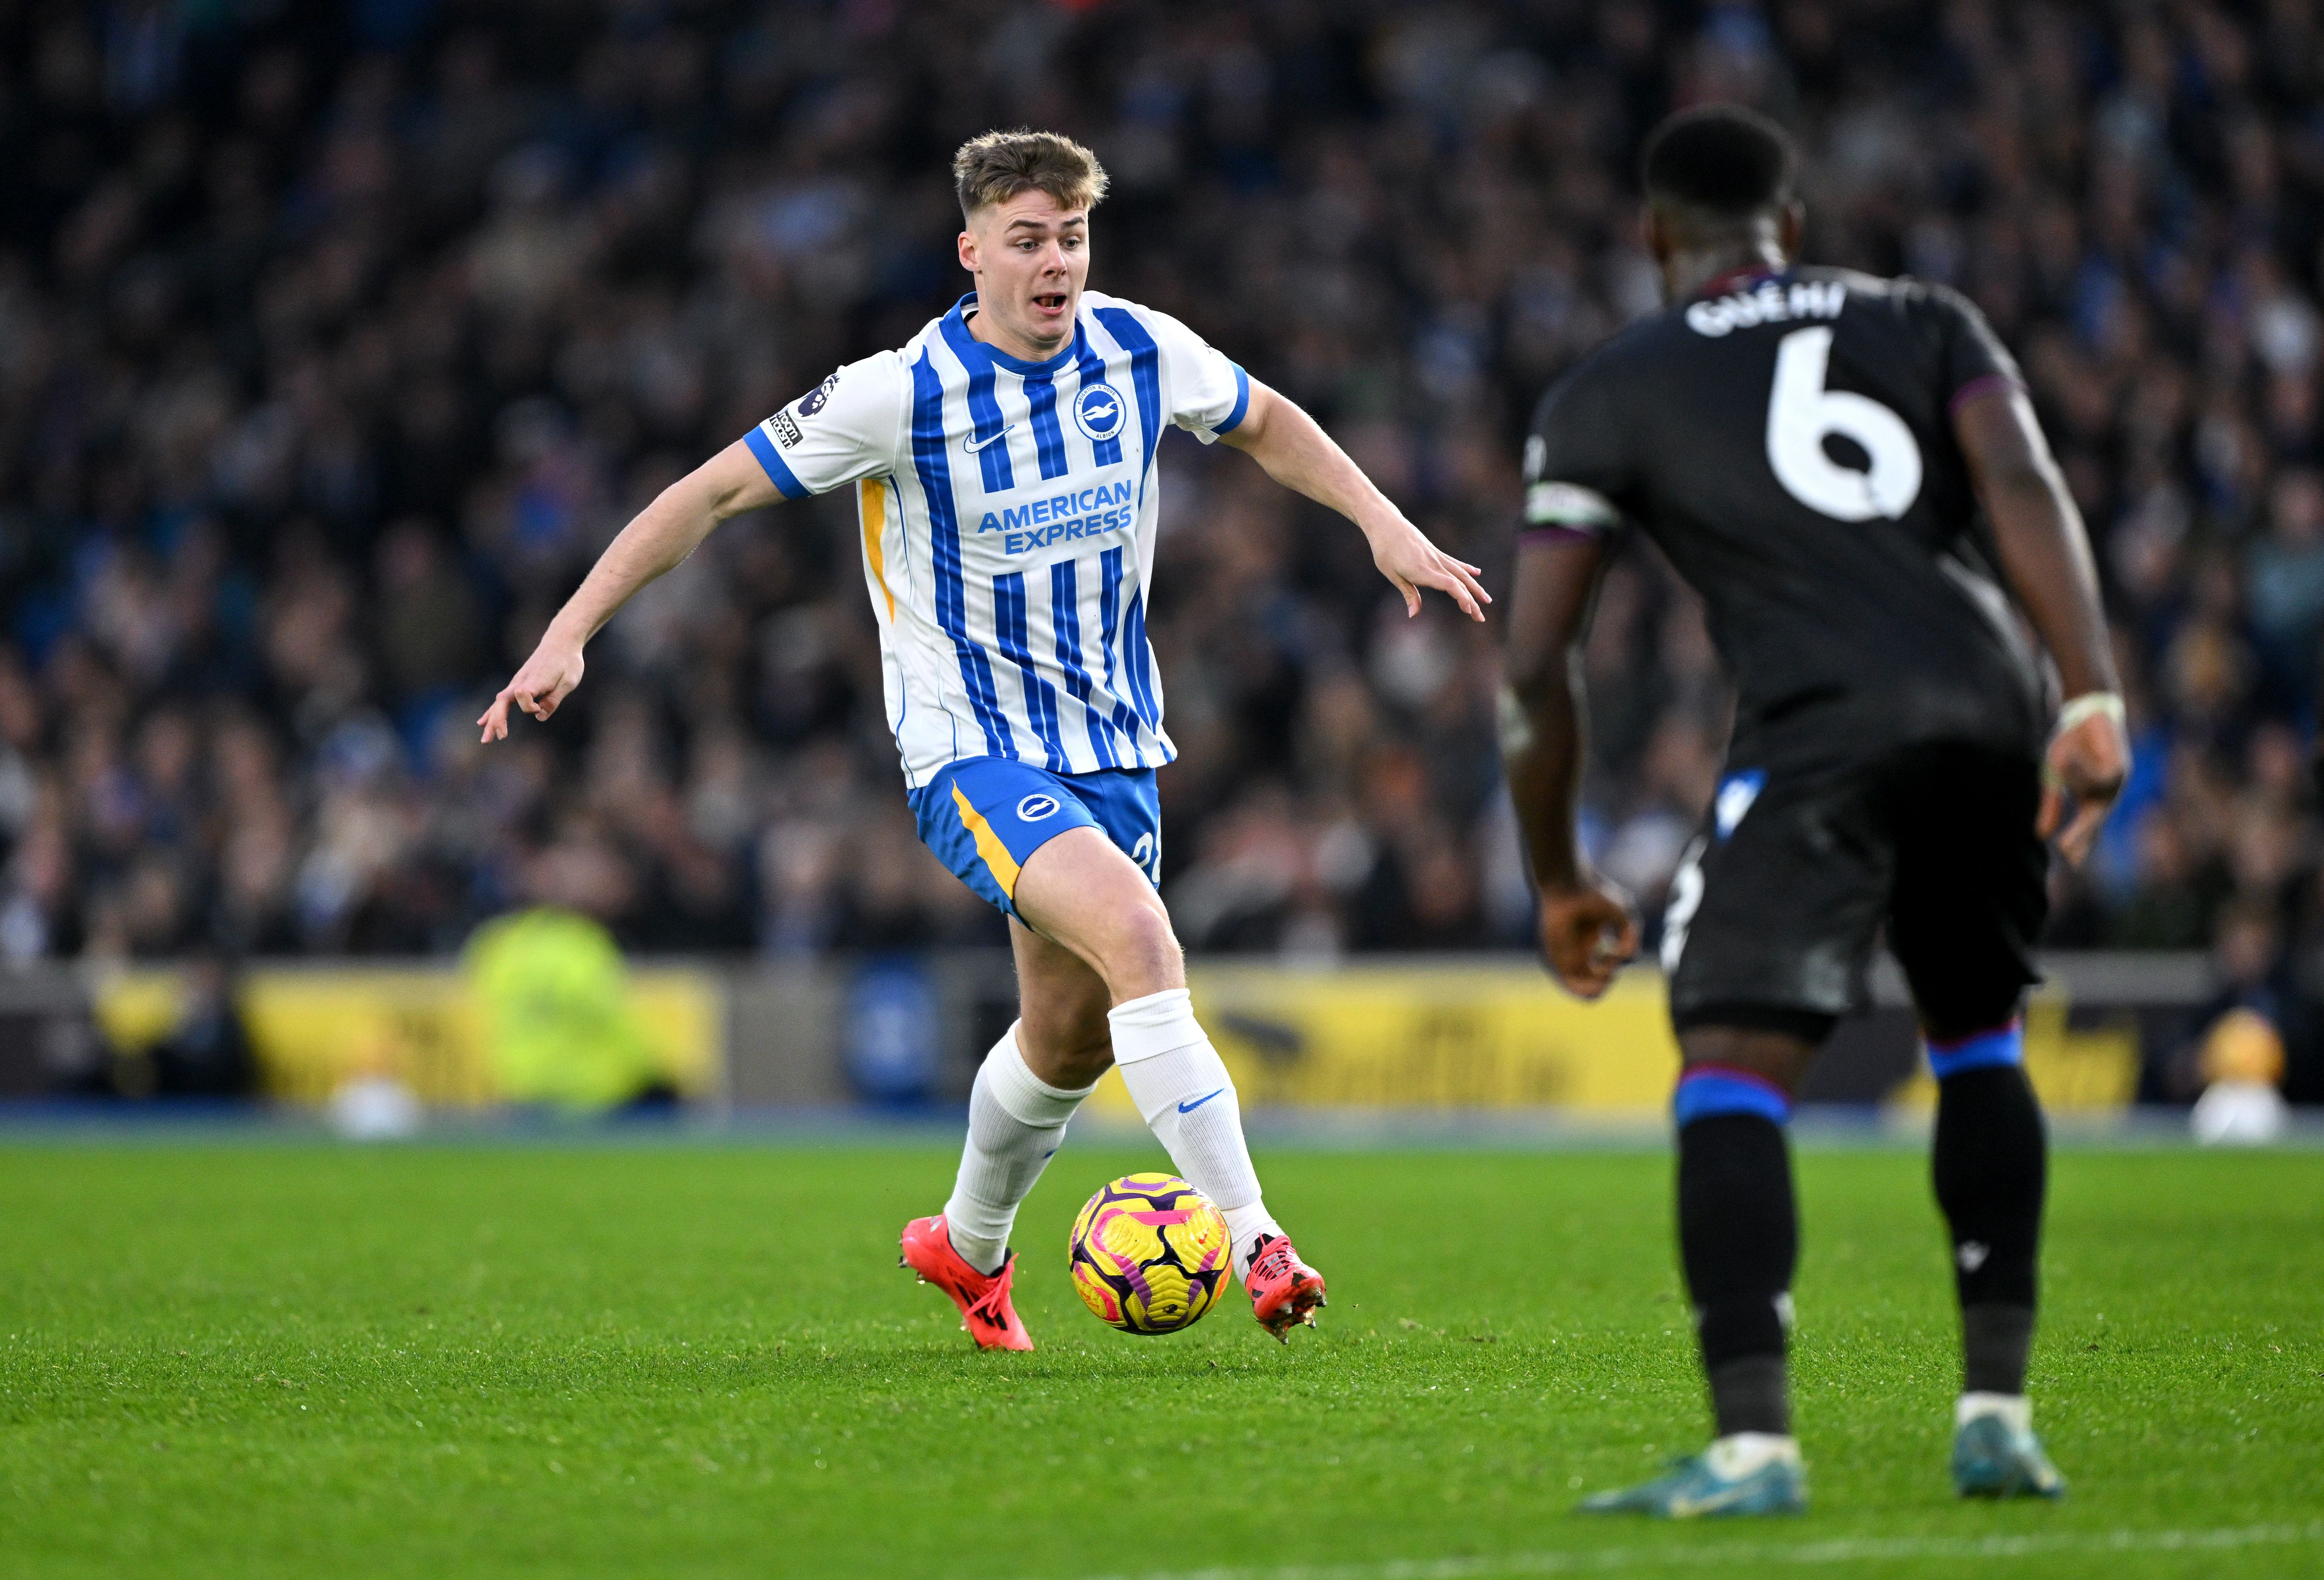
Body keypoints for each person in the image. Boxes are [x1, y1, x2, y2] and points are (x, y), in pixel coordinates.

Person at [480, 130, 1488, 1347]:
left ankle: (965, 1247)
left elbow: (1265, 419)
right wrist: (570, 633)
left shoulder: (1140, 348)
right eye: (1027, 242)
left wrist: (1382, 525)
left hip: (1117, 747)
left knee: (1067, 1040)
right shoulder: (899, 394)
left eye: (1071, 238)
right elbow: (709, 494)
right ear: (972, 254)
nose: (1055, 263)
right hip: (973, 753)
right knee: (1141, 940)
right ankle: (1256, 1237)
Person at [1499, 106, 2127, 1515]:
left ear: (1655, 237)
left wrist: (1556, 874)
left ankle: (1753, 1449)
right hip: (1992, 705)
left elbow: (1538, 664)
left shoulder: (1611, 389)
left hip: (1821, 724)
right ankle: (1998, 1420)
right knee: (1978, 1030)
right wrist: (2089, 692)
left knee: (1728, 1056)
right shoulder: (1927, 318)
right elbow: (2021, 480)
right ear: (1791, 228)